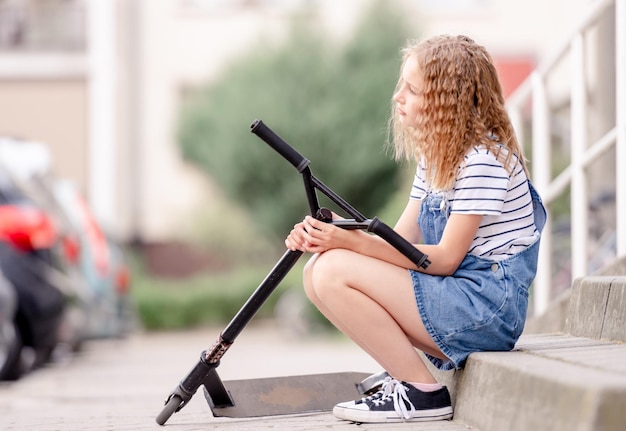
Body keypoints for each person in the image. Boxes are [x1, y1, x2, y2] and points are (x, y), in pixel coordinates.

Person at [285, 34, 546, 424]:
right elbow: (403, 242)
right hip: (461, 296)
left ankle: (422, 393)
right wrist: (336, 233)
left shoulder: (483, 162)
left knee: (333, 270)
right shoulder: (438, 159)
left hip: (486, 311)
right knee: (319, 269)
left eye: (412, 89)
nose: (397, 98)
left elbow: (441, 259)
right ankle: (404, 374)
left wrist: (350, 244)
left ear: (447, 101)